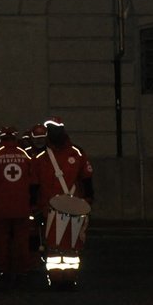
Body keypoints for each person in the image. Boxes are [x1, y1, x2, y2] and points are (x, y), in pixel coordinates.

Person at [36, 116, 95, 287]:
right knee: (55, 246)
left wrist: (88, 199)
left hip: (72, 207)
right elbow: (34, 183)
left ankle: (69, 277)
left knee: (71, 245)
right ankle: (56, 279)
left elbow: (86, 177)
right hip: (51, 208)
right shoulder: (42, 157)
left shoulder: (76, 153)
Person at [0, 127, 39, 286]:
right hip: (22, 205)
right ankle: (22, 270)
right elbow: (34, 180)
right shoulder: (24, 155)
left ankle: (4, 270)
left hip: (1, 206)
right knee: (21, 240)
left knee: (2, 240)